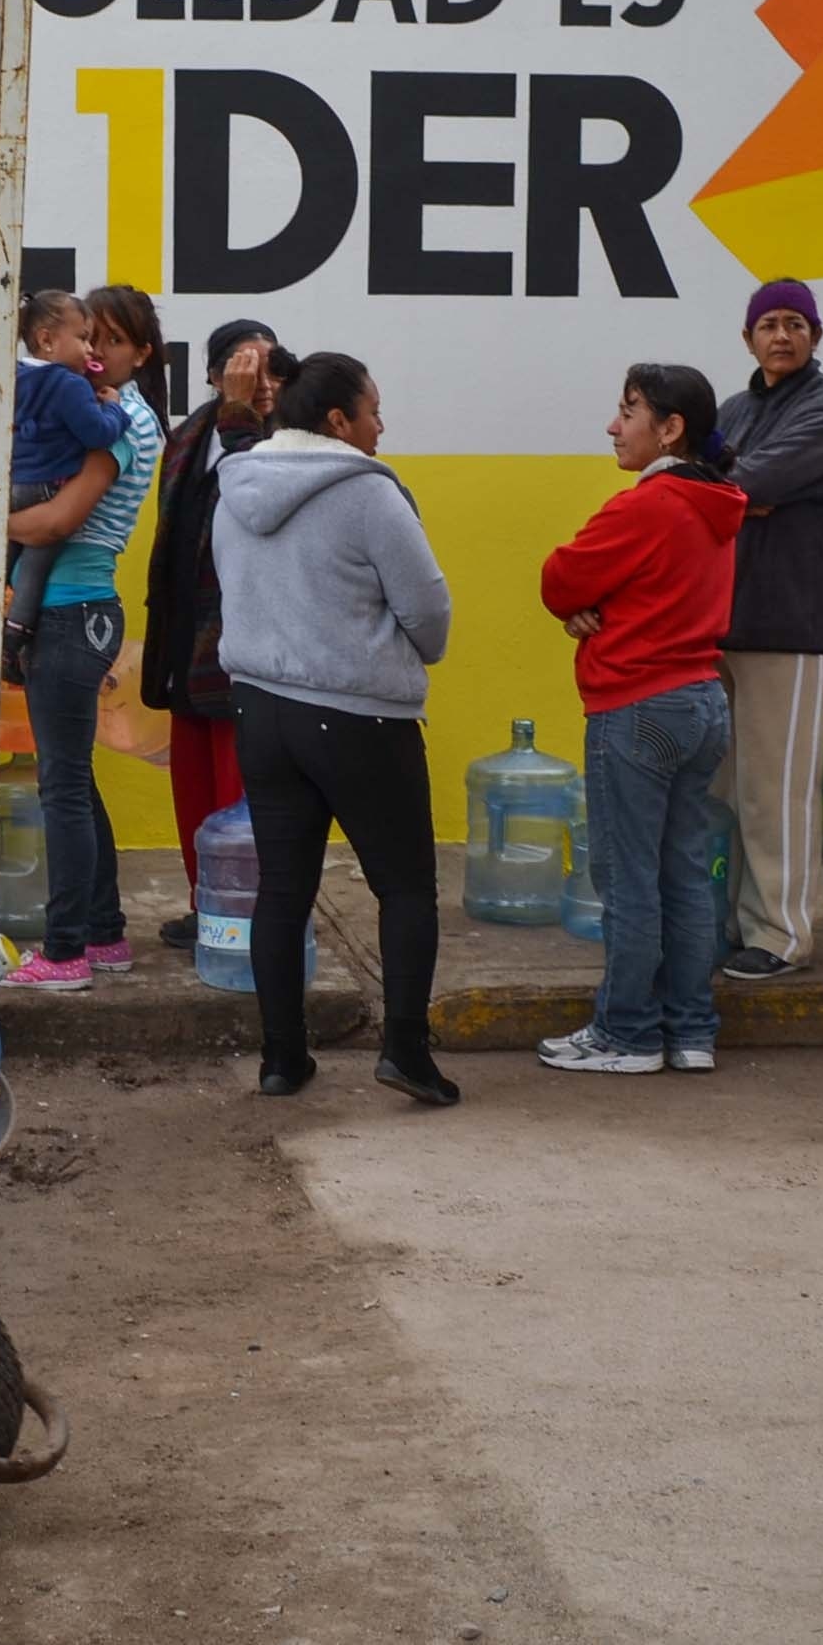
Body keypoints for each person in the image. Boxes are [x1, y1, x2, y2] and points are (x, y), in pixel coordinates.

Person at [211, 352, 457, 1106]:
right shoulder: (367, 494)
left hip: (260, 709)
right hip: (359, 717)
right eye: (374, 411)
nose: (382, 426)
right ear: (338, 421)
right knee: (407, 886)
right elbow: (429, 613)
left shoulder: (235, 489)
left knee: (282, 890)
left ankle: (283, 1059)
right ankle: (406, 1054)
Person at [536, 365, 747, 1073]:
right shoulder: (716, 504)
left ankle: (625, 1033)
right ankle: (690, 1031)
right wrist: (596, 609)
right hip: (700, 702)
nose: (612, 425)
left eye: (627, 411)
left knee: (627, 879)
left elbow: (559, 578)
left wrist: (581, 610)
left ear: (670, 426)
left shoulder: (645, 505)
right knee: (684, 872)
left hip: (636, 705)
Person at [708, 278, 823, 981]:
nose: (782, 336)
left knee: (776, 792)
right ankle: (728, 921)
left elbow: (744, 485)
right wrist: (737, 494)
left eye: (795, 324)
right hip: (724, 622)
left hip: (791, 627)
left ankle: (782, 935)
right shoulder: (735, 408)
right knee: (723, 791)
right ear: (747, 338)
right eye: (769, 324)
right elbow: (706, 484)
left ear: (816, 337)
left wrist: (740, 493)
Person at [6, 284, 168, 992]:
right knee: (74, 780)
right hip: (73, 609)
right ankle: (103, 935)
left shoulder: (123, 422)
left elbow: (55, 523)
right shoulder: (83, 402)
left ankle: (64, 953)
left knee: (61, 787)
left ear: (142, 354)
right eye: (89, 337)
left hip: (76, 610)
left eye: (114, 341)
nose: (96, 351)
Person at [142, 321, 287, 946]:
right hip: (185, 633)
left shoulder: (283, 439)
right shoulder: (186, 438)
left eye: (268, 365)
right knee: (193, 786)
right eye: (240, 364)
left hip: (247, 644)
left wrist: (241, 410)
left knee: (241, 788)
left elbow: (258, 497)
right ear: (210, 374)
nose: (257, 378)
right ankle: (208, 907)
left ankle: (251, 917)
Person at [0, 289, 123, 680]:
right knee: (36, 565)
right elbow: (97, 434)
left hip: (12, 488)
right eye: (84, 337)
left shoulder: (12, 376)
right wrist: (114, 409)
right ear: (47, 340)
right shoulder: (69, 385)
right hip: (46, 488)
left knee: (4, 561)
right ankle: (13, 638)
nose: (92, 350)